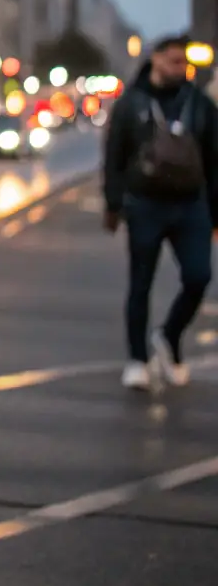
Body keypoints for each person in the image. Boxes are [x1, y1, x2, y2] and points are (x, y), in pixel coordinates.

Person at [104, 33, 218, 389]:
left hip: (191, 205)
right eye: (173, 61)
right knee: (141, 284)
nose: (179, 68)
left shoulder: (199, 104)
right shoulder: (131, 103)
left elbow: (215, 158)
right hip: (145, 205)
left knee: (199, 277)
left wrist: (215, 211)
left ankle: (168, 336)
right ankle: (138, 358)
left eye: (184, 63)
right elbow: (114, 155)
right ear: (155, 60)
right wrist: (113, 202)